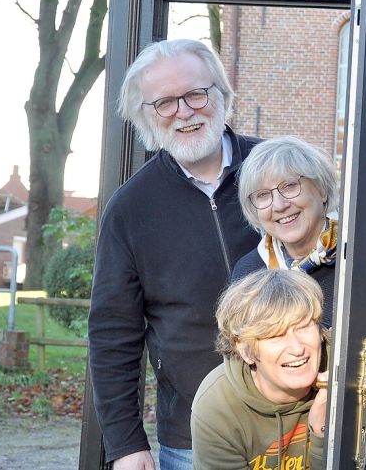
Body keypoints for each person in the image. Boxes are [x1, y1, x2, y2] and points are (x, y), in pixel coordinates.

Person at [88, 38, 261, 470]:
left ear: (221, 94)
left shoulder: (278, 174)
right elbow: (113, 334)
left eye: (195, 94)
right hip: (193, 439)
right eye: (164, 102)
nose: (184, 111)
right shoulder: (130, 210)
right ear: (144, 118)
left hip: (299, 425)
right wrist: (125, 444)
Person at [191, 269, 328, 469]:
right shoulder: (218, 406)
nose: (298, 348)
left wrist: (322, 433)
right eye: (275, 335)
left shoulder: (349, 371)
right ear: (245, 350)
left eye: (303, 327)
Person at [231, 136, 339, 327]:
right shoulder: (249, 272)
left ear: (321, 189)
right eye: (263, 195)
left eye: (289, 186)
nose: (279, 206)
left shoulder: (355, 260)